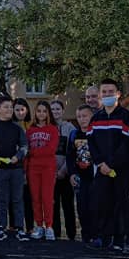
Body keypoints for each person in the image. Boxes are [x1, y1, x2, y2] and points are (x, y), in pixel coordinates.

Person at [87, 78, 129, 252]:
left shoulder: (126, 116)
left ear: (118, 94)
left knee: (126, 206)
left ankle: (128, 242)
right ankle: (105, 238)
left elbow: (127, 144)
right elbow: (91, 143)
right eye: (104, 92)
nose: (107, 95)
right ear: (100, 95)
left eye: (111, 92)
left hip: (122, 170)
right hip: (102, 170)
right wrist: (101, 163)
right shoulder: (95, 119)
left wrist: (112, 164)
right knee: (103, 204)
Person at [0, 95, 29, 242]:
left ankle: (20, 228)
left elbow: (24, 146)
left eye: (11, 107)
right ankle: (1, 227)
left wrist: (18, 156)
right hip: (0, 170)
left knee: (17, 199)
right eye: (6, 107)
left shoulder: (17, 127)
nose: (9, 110)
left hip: (16, 169)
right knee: (2, 199)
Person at [25, 101, 60, 240]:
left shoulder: (53, 129)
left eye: (44, 111)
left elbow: (51, 150)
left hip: (48, 168)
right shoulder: (30, 130)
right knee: (36, 198)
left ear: (48, 113)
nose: (41, 114)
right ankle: (39, 225)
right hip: (33, 168)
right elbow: (26, 151)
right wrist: (26, 167)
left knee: (47, 198)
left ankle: (49, 226)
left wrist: (33, 152)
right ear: (35, 113)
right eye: (39, 111)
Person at [67, 105, 95, 243]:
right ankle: (86, 236)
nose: (82, 119)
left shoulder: (96, 133)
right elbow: (70, 156)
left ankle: (97, 235)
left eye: (85, 116)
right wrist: (72, 173)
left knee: (95, 207)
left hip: (94, 177)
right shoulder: (74, 134)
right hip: (80, 177)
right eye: (79, 116)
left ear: (91, 117)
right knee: (82, 208)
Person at [51, 100, 77, 241]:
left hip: (66, 173)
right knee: (53, 204)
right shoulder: (48, 127)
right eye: (52, 109)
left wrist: (64, 170)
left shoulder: (70, 128)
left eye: (58, 109)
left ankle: (71, 234)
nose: (55, 111)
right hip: (51, 174)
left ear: (62, 111)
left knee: (68, 205)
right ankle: (56, 233)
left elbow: (72, 151)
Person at [13, 98, 34, 232]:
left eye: (22, 109)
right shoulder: (11, 125)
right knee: (14, 198)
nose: (20, 112)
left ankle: (30, 227)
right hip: (15, 165)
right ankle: (14, 226)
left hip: (30, 165)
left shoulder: (32, 125)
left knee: (28, 197)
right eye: (17, 110)